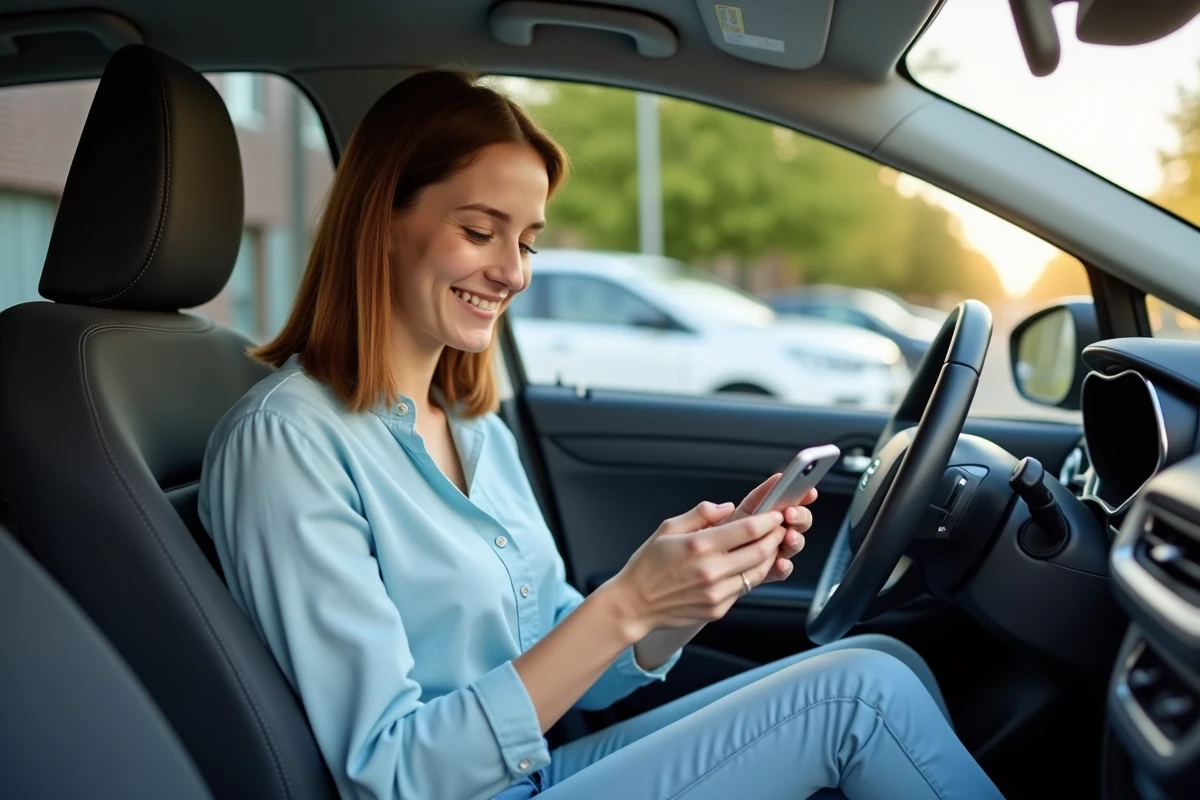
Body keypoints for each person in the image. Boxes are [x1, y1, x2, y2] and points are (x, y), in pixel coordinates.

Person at [198, 71, 1004, 800]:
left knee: (891, 666)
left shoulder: (475, 427)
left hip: (535, 772)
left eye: (527, 242)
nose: (513, 272)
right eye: (481, 232)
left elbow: (567, 667)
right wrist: (624, 603)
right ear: (382, 221)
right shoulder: (289, 444)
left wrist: (684, 598)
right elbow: (394, 774)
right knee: (858, 699)